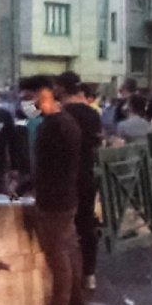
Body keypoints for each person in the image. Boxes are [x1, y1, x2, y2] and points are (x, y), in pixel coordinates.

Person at [19, 75, 86, 305]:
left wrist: (22, 191)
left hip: (52, 201)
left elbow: (45, 170)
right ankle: (77, 304)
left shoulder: (51, 127)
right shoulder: (67, 122)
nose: (25, 105)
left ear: (42, 96)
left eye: (28, 98)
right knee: (70, 250)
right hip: (66, 196)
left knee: (57, 257)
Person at [58, 72, 103, 293]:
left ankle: (69, 278)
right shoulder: (93, 115)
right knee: (87, 223)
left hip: (65, 177)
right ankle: (89, 274)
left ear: (62, 90)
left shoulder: (61, 114)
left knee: (64, 226)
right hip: (87, 174)